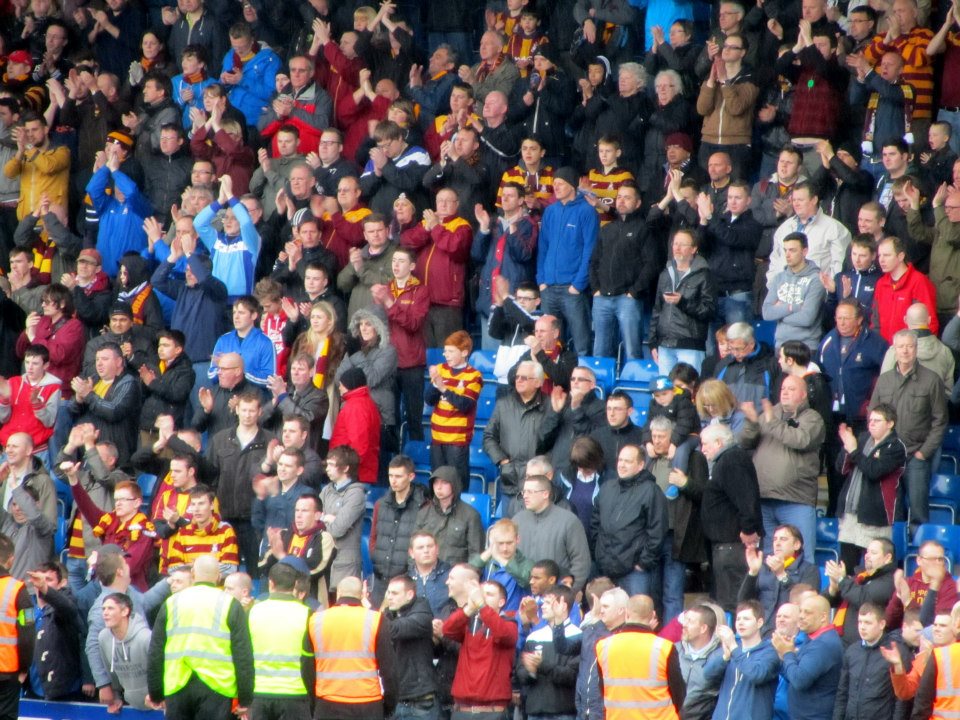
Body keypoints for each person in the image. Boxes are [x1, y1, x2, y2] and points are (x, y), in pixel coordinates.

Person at [146, 554, 254, 720]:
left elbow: (156, 650)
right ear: (219, 577)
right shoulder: (230, 604)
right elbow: (243, 654)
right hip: (217, 687)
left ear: (193, 574)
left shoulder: (171, 603)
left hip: (177, 685)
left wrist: (155, 693)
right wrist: (245, 699)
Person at [869, 329, 948, 531]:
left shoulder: (931, 380)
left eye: (910, 346)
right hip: (889, 456)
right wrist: (878, 447)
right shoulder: (884, 380)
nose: (905, 351)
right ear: (894, 350)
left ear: (916, 349)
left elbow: (940, 420)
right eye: (901, 346)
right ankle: (894, 549)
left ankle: (919, 549)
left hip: (916, 455)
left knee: (919, 511)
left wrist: (924, 453)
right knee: (892, 511)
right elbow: (873, 415)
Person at [741, 375, 825, 561]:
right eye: (783, 389)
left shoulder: (812, 418)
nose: (785, 392)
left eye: (791, 389)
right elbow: (746, 443)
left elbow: (801, 440)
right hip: (764, 498)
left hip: (796, 500)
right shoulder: (770, 413)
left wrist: (772, 422)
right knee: (770, 558)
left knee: (802, 557)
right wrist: (752, 423)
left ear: (803, 394)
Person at [309, 576, 398, 718]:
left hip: (327, 701)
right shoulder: (376, 620)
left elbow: (308, 666)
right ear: (362, 595)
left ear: (338, 593)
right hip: (368, 703)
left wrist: (313, 703)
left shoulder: (316, 620)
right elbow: (389, 669)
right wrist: (389, 704)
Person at [589, 180, 658, 359]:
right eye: (619, 197)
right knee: (600, 353)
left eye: (627, 198)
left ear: (638, 203)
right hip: (602, 298)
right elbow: (594, 261)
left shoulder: (643, 229)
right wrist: (596, 289)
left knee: (632, 351)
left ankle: (630, 379)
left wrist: (634, 292)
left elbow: (651, 264)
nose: (621, 201)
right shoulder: (607, 229)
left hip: (628, 299)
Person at [699, 423, 763, 612]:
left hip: (734, 546)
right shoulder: (727, 460)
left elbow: (746, 497)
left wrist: (748, 529)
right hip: (726, 546)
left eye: (705, 444)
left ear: (718, 443)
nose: (702, 449)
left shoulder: (732, 460)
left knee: (735, 603)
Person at [835, 405, 907, 570]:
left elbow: (874, 471)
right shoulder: (861, 439)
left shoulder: (895, 446)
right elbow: (841, 469)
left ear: (890, 424)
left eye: (877, 420)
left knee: (875, 568)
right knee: (846, 566)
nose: (871, 424)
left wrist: (854, 450)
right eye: (870, 420)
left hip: (876, 515)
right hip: (850, 512)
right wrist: (846, 448)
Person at [536, 166, 598, 354]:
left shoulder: (587, 211)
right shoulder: (550, 211)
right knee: (549, 346)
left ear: (572, 186)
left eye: (561, 183)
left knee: (581, 344)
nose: (556, 187)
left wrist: (578, 284)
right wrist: (541, 280)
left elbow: (590, 250)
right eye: (554, 183)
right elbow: (543, 247)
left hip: (573, 288)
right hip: (549, 287)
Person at [591, 444, 668, 595]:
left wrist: (643, 563)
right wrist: (598, 554)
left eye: (628, 461)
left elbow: (657, 531)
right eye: (620, 460)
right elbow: (595, 523)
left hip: (634, 572)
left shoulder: (651, 491)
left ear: (640, 465)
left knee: (637, 610)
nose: (622, 465)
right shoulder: (607, 488)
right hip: (605, 569)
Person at [442, 567, 519, 719]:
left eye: (489, 594)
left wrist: (482, 606)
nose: (483, 597)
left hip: (492, 711)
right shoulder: (468, 623)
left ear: (502, 602)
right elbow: (448, 630)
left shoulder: (509, 623)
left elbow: (503, 633)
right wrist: (469, 608)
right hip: (461, 709)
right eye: (481, 594)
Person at [595, 593, 686, 719]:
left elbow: (603, 688)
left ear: (626, 614)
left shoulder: (604, 646)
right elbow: (678, 692)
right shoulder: (664, 647)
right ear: (653, 615)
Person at [247, 561, 312, 720]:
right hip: (296, 693)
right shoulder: (307, 614)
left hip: (259, 692)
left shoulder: (253, 611)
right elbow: (310, 660)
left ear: (270, 583)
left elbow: (244, 655)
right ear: (295, 585)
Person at [482, 359, 548, 505]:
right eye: (517, 376)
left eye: (524, 377)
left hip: (538, 484)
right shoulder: (503, 404)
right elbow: (488, 437)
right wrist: (502, 461)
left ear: (538, 382)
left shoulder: (549, 406)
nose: (518, 380)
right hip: (510, 482)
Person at [703, 600, 780, 720]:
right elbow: (707, 675)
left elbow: (757, 675)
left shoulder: (770, 652)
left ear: (759, 623)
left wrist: (734, 648)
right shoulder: (731, 649)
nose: (740, 623)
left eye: (746, 619)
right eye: (738, 619)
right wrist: (725, 657)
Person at [515, 583, 583, 719]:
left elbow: (571, 676)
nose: (542, 606)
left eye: (548, 603)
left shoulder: (578, 636)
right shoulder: (534, 636)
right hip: (534, 712)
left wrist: (541, 665)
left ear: (563, 606)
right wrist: (531, 672)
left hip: (564, 713)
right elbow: (520, 673)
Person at [771, 594, 843, 720]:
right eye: (800, 611)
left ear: (823, 617)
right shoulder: (812, 638)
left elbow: (799, 681)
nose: (801, 616)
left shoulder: (823, 644)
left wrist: (787, 653)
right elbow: (792, 676)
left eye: (807, 612)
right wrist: (781, 654)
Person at [425, 331, 484, 483]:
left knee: (456, 483)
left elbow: (465, 405)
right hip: (437, 438)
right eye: (445, 351)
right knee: (437, 482)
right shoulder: (441, 369)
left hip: (457, 440)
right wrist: (435, 384)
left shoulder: (474, 375)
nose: (446, 355)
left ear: (464, 352)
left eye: (451, 351)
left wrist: (443, 388)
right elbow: (429, 400)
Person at [370, 455, 429, 605]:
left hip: (407, 580)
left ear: (411, 477)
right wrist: (375, 557)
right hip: (380, 577)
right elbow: (374, 536)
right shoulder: (380, 504)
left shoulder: (423, 506)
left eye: (398, 476)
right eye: (390, 476)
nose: (393, 480)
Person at [738, 524, 820, 628]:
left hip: (790, 628)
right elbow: (743, 602)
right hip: (762, 627)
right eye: (775, 539)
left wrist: (782, 575)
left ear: (796, 545)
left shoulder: (809, 570)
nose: (777, 543)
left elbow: (808, 605)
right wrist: (753, 573)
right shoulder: (763, 567)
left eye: (783, 539)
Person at [383, 575, 439, 720]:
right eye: (388, 593)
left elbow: (395, 629)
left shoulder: (422, 614)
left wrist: (369, 613)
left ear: (409, 595)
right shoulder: (390, 614)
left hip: (420, 702)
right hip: (395, 701)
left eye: (395, 593)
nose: (389, 597)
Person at [824, 538, 898, 644]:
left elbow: (862, 598)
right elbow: (828, 601)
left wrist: (841, 580)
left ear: (887, 558)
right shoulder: (860, 577)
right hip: (840, 641)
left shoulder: (890, 581)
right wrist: (833, 587)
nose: (867, 556)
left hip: (862, 645)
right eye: (867, 552)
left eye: (873, 553)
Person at [762, 232, 826, 351]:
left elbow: (807, 318)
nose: (787, 255)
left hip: (805, 347)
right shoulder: (779, 278)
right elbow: (766, 313)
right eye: (785, 250)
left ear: (804, 251)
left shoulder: (816, 279)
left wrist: (779, 314)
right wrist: (792, 307)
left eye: (792, 250)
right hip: (781, 346)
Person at [871, 236, 939, 342]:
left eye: (887, 255)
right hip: (885, 349)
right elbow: (875, 322)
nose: (881, 260)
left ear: (901, 256)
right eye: (880, 255)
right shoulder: (881, 283)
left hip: (910, 348)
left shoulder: (918, 282)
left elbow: (929, 323)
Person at [415, 466, 485, 566]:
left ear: (454, 485)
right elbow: (414, 547)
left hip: (457, 573)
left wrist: (468, 573)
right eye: (436, 482)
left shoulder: (471, 515)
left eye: (444, 482)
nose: (439, 487)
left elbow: (476, 554)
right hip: (427, 571)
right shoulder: (423, 513)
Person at [318, 447, 366, 588]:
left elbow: (338, 529)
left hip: (344, 564)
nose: (327, 469)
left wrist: (324, 519)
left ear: (345, 468)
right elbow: (314, 521)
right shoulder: (327, 490)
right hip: (323, 558)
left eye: (332, 465)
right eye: (327, 464)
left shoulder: (356, 493)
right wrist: (329, 519)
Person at [166, 485, 240, 577]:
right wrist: (208, 566)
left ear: (212, 505)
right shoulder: (183, 532)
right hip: (189, 584)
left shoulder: (225, 530)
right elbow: (173, 568)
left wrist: (196, 566)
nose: (196, 509)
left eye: (201, 504)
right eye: (193, 504)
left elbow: (230, 568)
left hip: (214, 585)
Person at [884, 539, 958, 630]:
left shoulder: (950, 587)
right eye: (932, 559)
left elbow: (934, 626)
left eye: (940, 559)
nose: (938, 563)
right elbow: (888, 623)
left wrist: (908, 602)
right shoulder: (909, 583)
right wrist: (898, 596)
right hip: (903, 635)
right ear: (919, 560)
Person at [97, 593, 152, 711]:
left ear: (125, 611)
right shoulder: (103, 637)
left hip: (156, 702)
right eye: (103, 609)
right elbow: (111, 671)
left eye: (110, 608)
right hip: (130, 703)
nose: (105, 613)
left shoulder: (145, 637)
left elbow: (162, 671)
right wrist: (116, 696)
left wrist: (158, 695)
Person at [0, 534, 34, 720]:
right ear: (11, 559)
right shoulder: (18, 591)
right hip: (7, 672)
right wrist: (24, 668)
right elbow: (27, 632)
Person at [468, 518, 533, 614]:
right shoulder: (487, 562)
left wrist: (500, 558)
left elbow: (525, 579)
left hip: (512, 618)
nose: (505, 548)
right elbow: (467, 573)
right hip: (486, 615)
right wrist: (490, 550)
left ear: (517, 539)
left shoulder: (526, 564)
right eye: (500, 543)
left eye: (509, 543)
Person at [329, 367, 381, 484]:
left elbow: (359, 444)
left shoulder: (356, 407)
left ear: (349, 385)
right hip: (357, 471)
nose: (339, 388)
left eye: (341, 384)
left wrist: (347, 468)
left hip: (355, 474)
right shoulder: (363, 402)